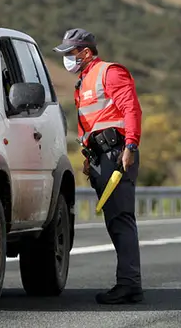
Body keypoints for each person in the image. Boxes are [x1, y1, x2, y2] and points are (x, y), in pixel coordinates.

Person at [52, 28, 144, 305]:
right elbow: (94, 123)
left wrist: (130, 146)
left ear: (86, 52)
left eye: (70, 53)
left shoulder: (109, 72)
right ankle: (128, 283)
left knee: (120, 219)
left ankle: (129, 285)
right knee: (115, 221)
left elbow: (132, 109)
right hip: (102, 156)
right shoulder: (84, 81)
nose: (67, 59)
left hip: (117, 153)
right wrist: (89, 157)